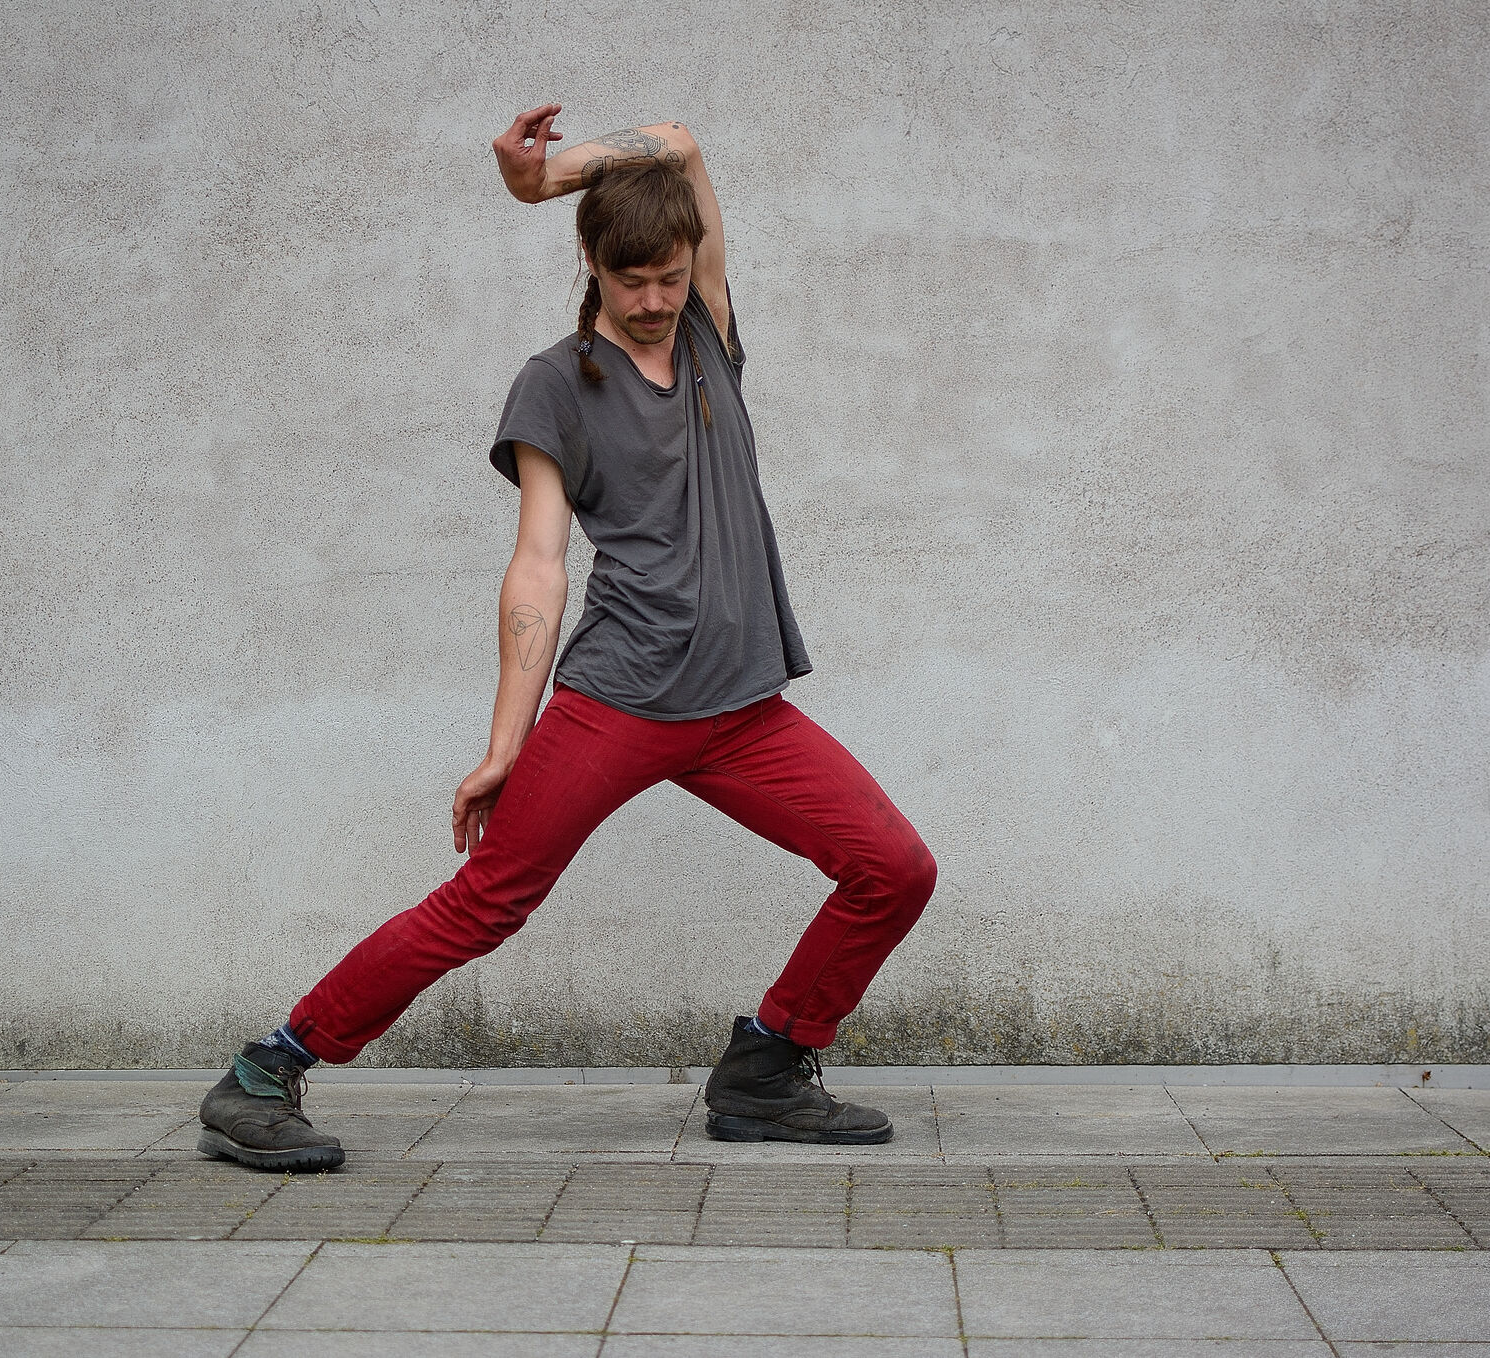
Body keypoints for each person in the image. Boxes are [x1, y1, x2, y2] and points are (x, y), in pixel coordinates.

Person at [197, 105, 936, 1172]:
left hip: (741, 709)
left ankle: (768, 1068)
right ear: (591, 265)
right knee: (487, 903)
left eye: (670, 277)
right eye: (632, 281)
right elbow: (540, 565)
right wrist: (506, 742)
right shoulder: (557, 383)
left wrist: (549, 178)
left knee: (894, 868)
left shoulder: (708, 336)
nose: (655, 301)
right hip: (620, 700)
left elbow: (679, 140)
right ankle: (267, 1070)